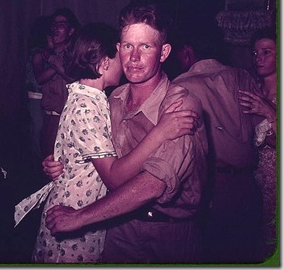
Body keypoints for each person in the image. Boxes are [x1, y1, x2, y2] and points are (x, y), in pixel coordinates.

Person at [16, 22, 199, 263]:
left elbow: (151, 181)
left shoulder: (105, 99)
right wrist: (160, 132)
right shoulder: (92, 104)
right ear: (104, 62)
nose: (131, 59)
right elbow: (112, 175)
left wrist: (63, 161)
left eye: (144, 46)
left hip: (117, 220)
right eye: (124, 48)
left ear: (163, 52)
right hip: (75, 214)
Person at [171, 24, 264, 263]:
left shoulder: (183, 86)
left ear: (187, 52)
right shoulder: (242, 76)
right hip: (248, 186)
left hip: (214, 186)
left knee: (211, 255)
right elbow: (261, 129)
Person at [239, 27, 277, 261]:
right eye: (255, 53)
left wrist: (270, 112)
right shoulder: (251, 86)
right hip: (251, 177)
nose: (259, 58)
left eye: (266, 52)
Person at [36, 8, 81, 160]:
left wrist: (52, 59)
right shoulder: (50, 55)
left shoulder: (74, 54)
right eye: (54, 24)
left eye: (61, 24)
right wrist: (52, 57)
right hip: (48, 118)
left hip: (64, 119)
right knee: (45, 162)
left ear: (71, 31)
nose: (55, 28)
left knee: (57, 164)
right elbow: (40, 78)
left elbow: (70, 76)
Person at [25, 15, 52, 166]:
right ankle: (36, 165)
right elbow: (39, 78)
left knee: (42, 131)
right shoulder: (38, 53)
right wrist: (57, 66)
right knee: (37, 131)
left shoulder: (47, 53)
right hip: (36, 97)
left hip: (43, 98)